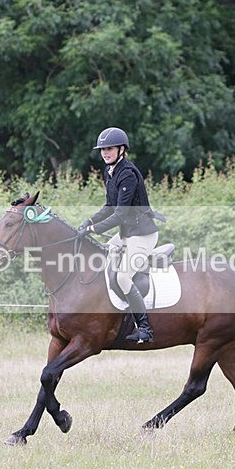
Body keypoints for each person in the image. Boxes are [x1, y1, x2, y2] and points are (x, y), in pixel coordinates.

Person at [78, 127, 159, 343]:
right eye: (103, 149)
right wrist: (89, 221)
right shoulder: (110, 171)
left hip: (142, 235)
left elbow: (121, 214)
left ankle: (145, 329)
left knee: (123, 276)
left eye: (110, 148)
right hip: (126, 234)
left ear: (121, 149)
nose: (105, 152)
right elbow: (109, 206)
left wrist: (94, 230)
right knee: (104, 257)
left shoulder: (128, 174)